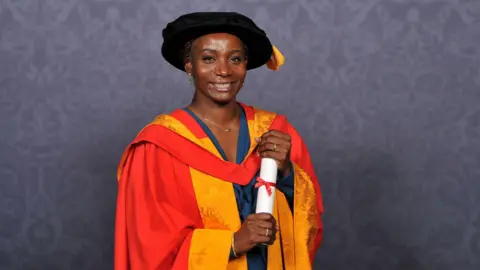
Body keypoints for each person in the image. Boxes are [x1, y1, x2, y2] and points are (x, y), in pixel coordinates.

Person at [114, 11, 323, 270]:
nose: (224, 70)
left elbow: (309, 224)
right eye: (209, 59)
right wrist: (233, 243)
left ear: (246, 64)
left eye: (235, 59)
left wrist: (288, 175)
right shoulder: (158, 146)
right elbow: (147, 245)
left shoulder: (277, 132)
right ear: (189, 65)